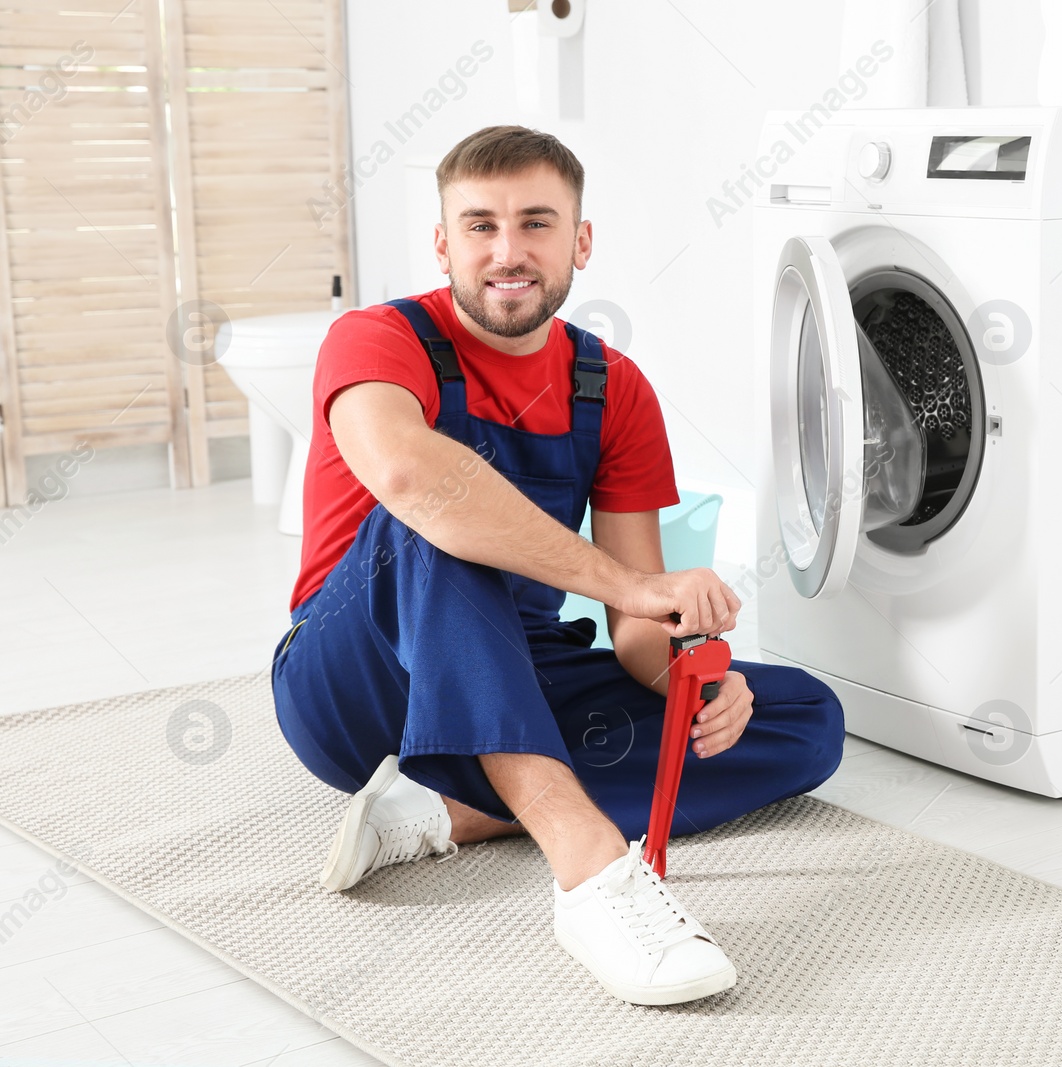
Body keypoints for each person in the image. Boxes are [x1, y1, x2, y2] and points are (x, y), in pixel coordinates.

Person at [269, 125, 846, 1007]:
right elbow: (406, 476)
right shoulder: (376, 339)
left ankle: (442, 813)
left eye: (537, 223)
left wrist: (694, 669)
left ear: (580, 241)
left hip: (521, 672)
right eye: (480, 226)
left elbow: (634, 631)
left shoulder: (612, 387)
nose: (509, 251)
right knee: (440, 517)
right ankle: (591, 875)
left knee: (803, 715)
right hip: (354, 682)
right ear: (443, 243)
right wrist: (635, 589)